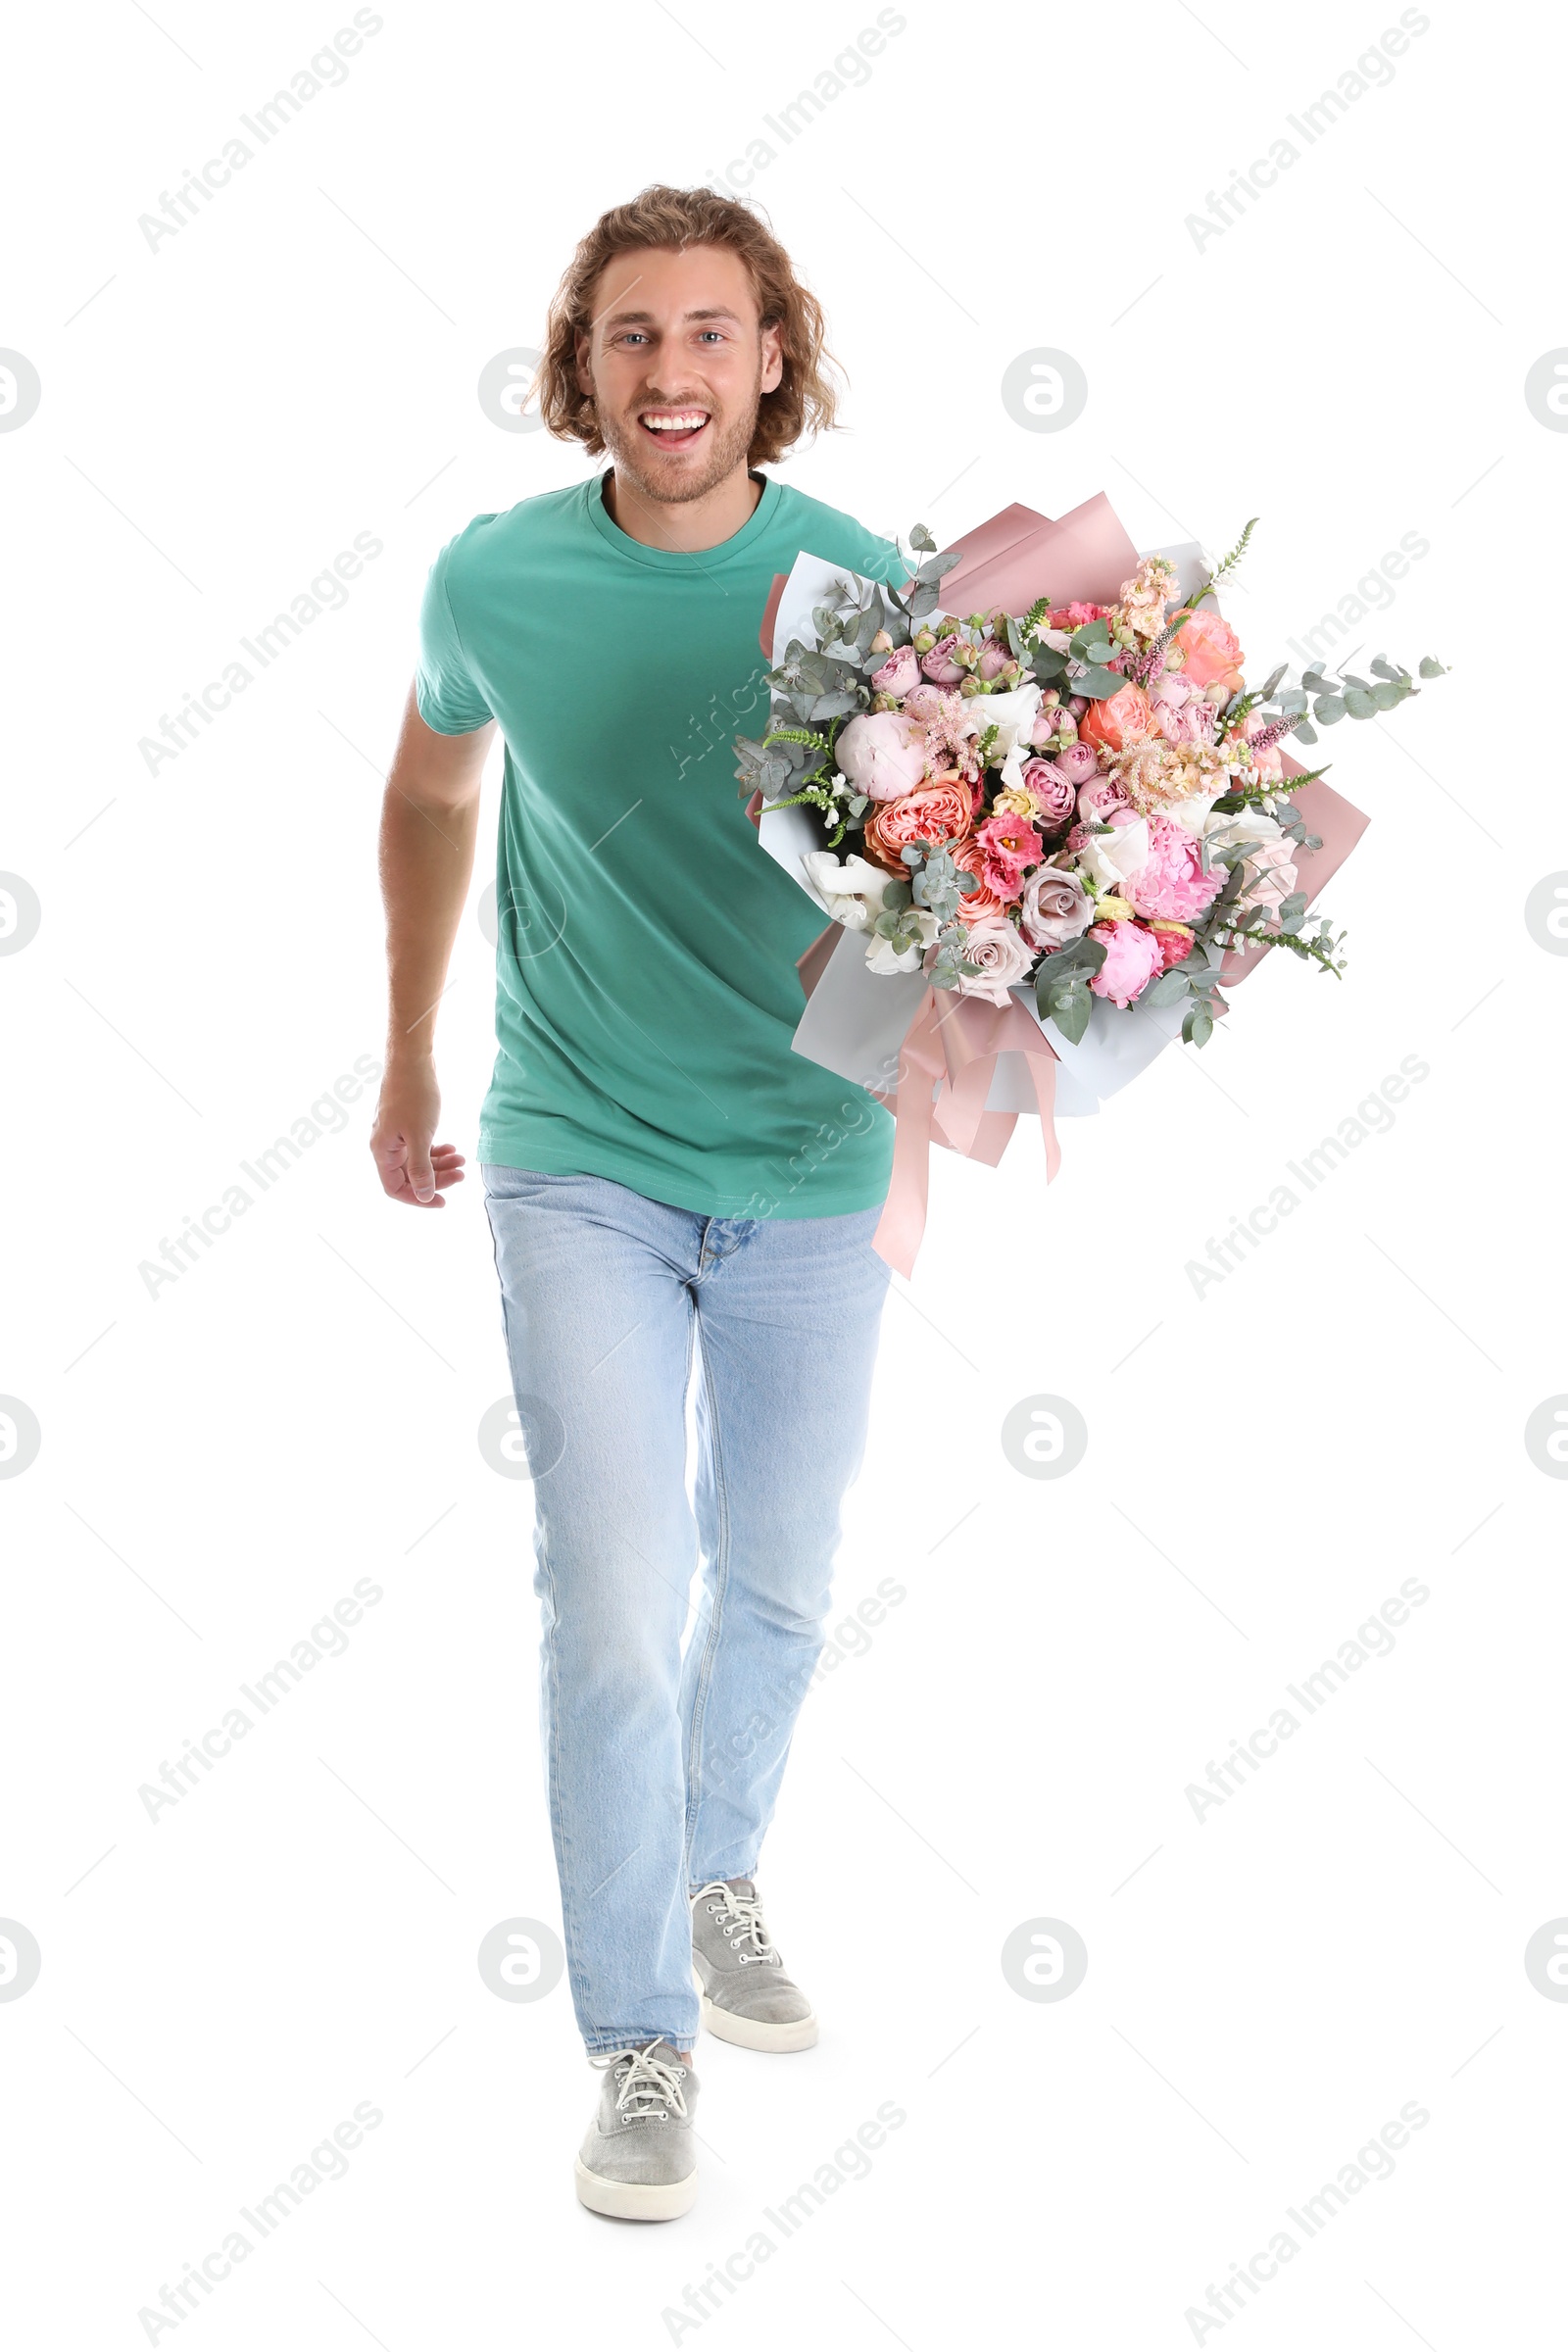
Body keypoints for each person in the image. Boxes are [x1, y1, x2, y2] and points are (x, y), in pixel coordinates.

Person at [369, 185, 899, 2222]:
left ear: (775, 357)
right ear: (578, 367)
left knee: (769, 1575)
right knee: (607, 1612)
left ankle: (714, 1868)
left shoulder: (863, 581)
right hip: (575, 1147)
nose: (668, 373)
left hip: (809, 1164)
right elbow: (427, 791)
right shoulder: (494, 579)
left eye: (707, 333)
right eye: (628, 336)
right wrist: (413, 1056)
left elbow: (958, 844)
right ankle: (635, 2034)